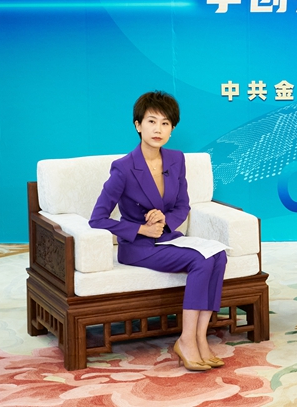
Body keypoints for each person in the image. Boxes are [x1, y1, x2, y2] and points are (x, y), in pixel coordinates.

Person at [89, 91, 227, 371]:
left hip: (168, 238)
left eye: (165, 123)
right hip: (138, 248)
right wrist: (141, 228)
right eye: (151, 121)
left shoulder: (176, 159)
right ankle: (186, 341)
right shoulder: (123, 168)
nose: (158, 129)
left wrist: (165, 220)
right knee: (200, 260)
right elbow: (97, 219)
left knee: (218, 255)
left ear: (172, 129)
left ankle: (200, 339)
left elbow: (183, 205)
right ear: (138, 125)